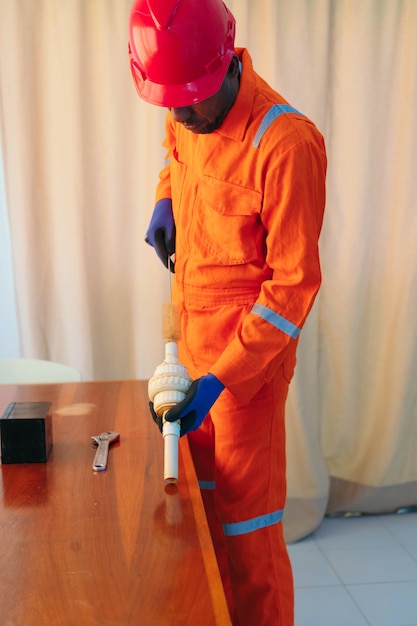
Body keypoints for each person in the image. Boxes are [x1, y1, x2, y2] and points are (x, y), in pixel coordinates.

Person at [128, 1, 326, 624]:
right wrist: (165, 199)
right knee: (199, 525)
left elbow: (293, 288)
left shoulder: (286, 145)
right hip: (192, 352)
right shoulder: (188, 104)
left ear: (225, 67)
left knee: (248, 542)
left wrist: (224, 378)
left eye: (189, 102)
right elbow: (175, 152)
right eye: (169, 103)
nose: (179, 116)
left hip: (245, 381)